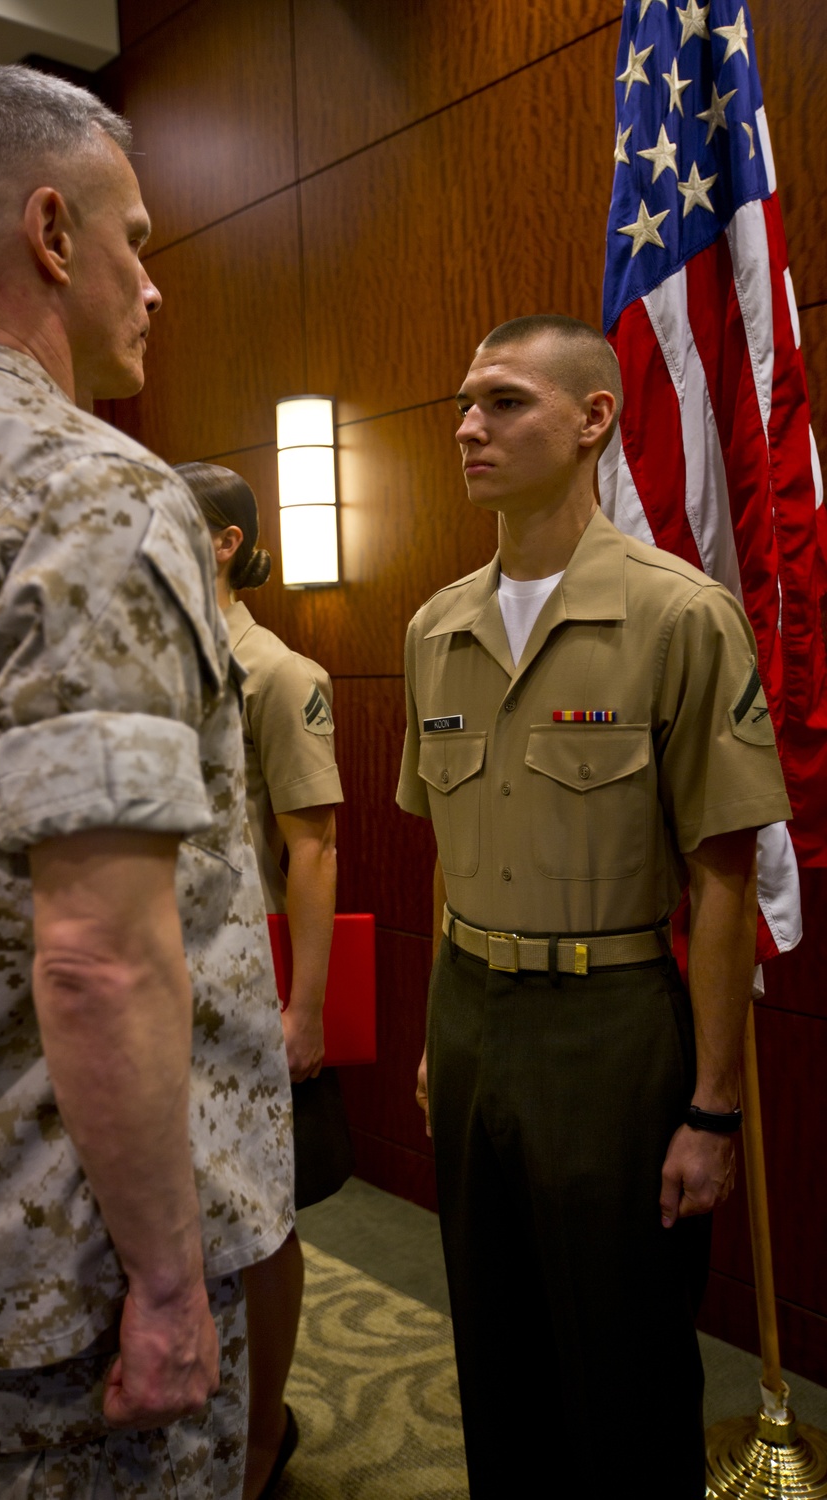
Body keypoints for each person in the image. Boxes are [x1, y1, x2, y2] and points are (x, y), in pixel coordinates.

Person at [0, 65, 293, 1498]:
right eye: (137, 237)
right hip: (66, 1293)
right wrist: (164, 1285)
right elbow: (99, 953)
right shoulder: (90, 495)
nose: (153, 279)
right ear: (52, 229)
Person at [397, 315, 793, 1498]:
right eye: (463, 404)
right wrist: (433, 1035)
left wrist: (712, 1108)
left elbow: (723, 879)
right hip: (472, 1022)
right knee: (493, 1339)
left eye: (504, 402)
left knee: (622, 1362)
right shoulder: (435, 628)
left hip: (610, 1031)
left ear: (593, 420)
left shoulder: (678, 616)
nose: (468, 427)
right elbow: (443, 861)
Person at [177, 463, 352, 1500]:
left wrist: (307, 1011)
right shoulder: (158, 660)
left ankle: (260, 1438)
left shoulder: (280, 675)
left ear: (226, 544)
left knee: (262, 1221)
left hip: (257, 993)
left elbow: (315, 848)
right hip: (176, 994)